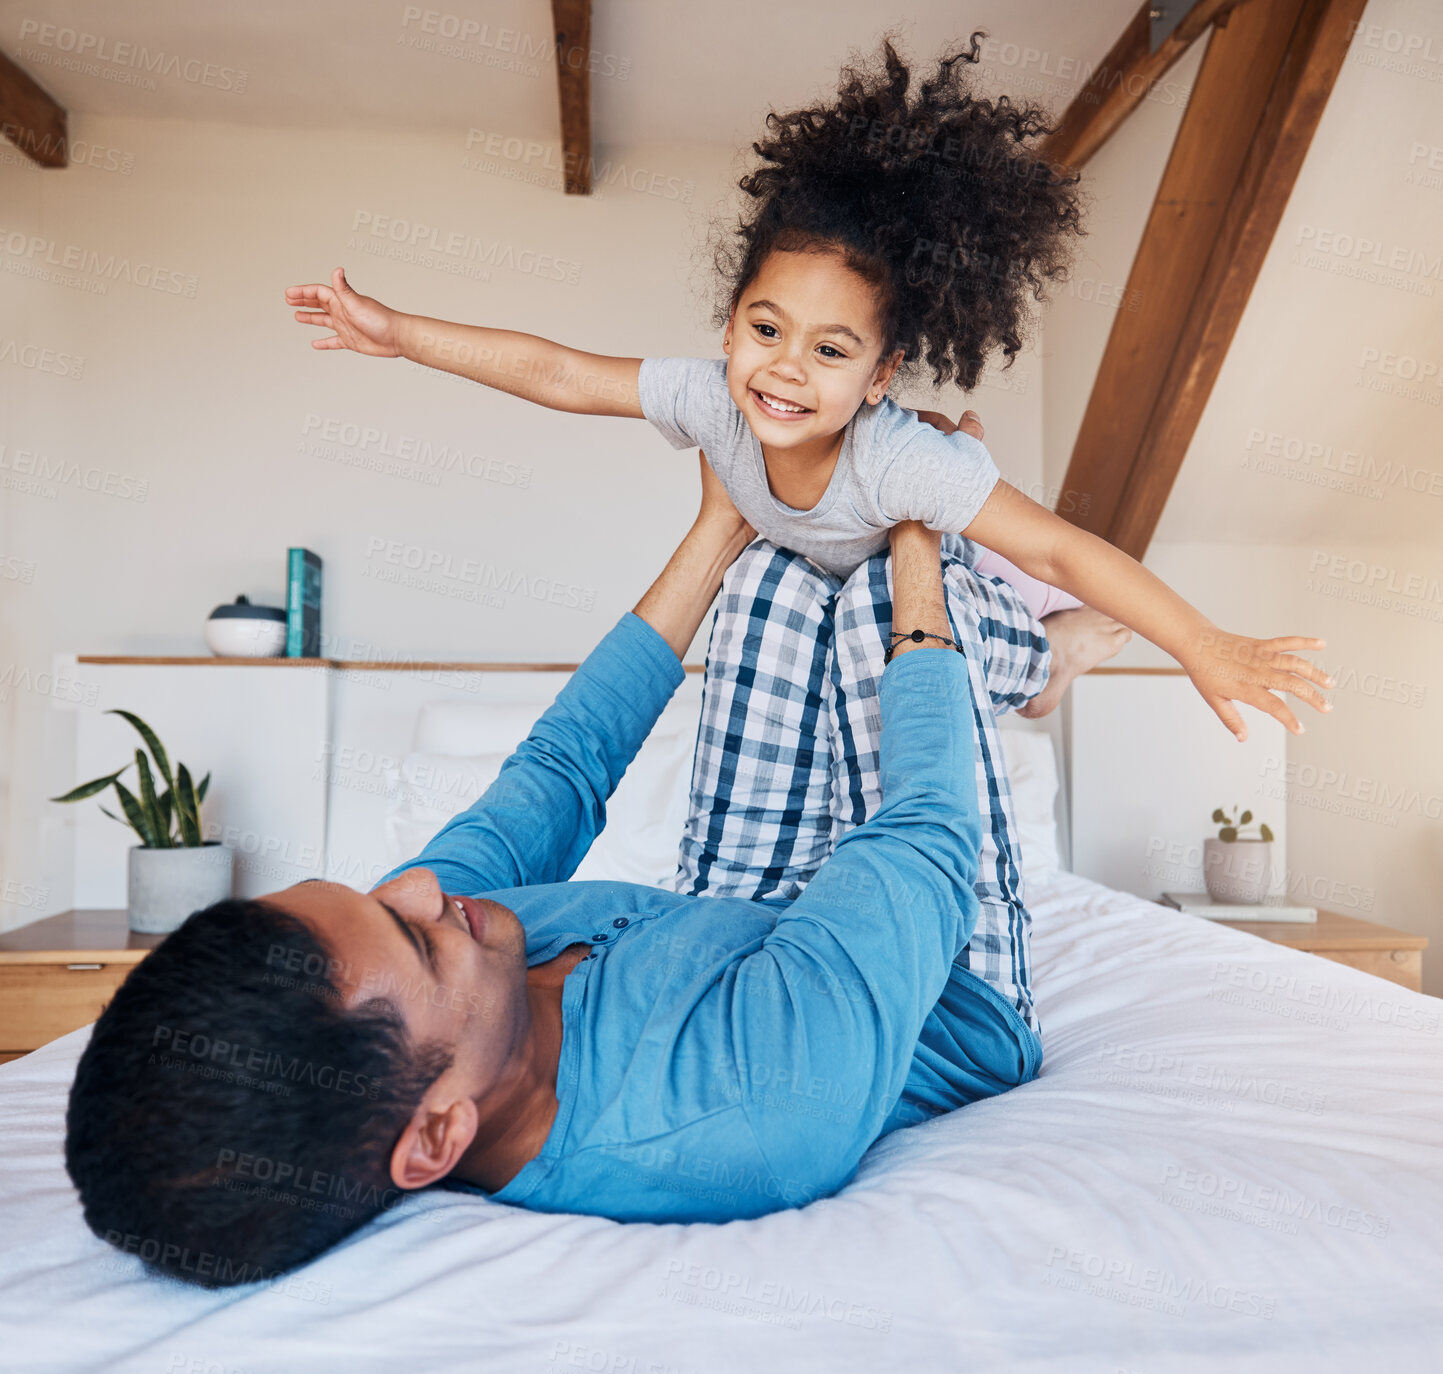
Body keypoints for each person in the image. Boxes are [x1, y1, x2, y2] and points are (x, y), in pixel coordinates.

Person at [66, 457, 1078, 1289]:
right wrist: (916, 526)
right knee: (870, 607)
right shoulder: (747, 1107)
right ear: (437, 1134)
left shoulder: (436, 967)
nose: (423, 890)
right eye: (417, 936)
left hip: (746, 926)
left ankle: (1001, 641)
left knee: (766, 580)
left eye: (382, 896)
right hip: (951, 986)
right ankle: (1044, 662)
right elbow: (927, 837)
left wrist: (719, 521)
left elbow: (561, 768)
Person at [284, 36, 1333, 742]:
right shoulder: (710, 399)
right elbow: (559, 372)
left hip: (936, 544)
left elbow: (1058, 544)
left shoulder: (895, 456)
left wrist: (1203, 643)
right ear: (729, 322)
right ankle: (1010, 556)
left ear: (880, 378)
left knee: (992, 643)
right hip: (825, 567)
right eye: (766, 328)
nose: (784, 367)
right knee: (797, 612)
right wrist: (397, 334)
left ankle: (1059, 651)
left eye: (831, 353)